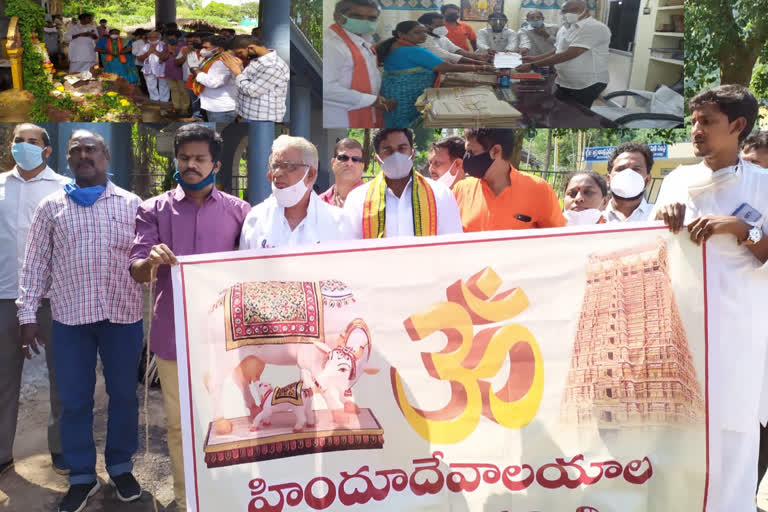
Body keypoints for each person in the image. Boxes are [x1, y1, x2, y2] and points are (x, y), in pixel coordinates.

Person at [651, 85, 768, 512]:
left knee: (733, 434)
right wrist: (664, 220)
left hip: (740, 332)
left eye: (707, 122)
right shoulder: (678, 181)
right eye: (695, 120)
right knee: (678, 432)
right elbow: (649, 252)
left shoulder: (764, 184)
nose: (696, 130)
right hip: (682, 331)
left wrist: (741, 229)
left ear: (737, 126)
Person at [17, 130, 144, 512]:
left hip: (123, 316)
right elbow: (35, 262)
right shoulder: (50, 207)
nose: (84, 155)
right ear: (68, 160)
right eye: (76, 150)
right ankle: (82, 476)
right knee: (74, 400)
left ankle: (121, 466)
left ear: (106, 156)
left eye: (91, 149)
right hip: (70, 318)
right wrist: (27, 315)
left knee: (123, 396)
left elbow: (148, 257)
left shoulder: (132, 204)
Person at [129, 125, 249, 511]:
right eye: (184, 159)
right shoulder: (152, 210)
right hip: (172, 336)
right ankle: (186, 499)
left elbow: (249, 272)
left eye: (199, 159)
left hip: (224, 338)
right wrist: (151, 261)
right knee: (180, 425)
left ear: (215, 163)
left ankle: (228, 493)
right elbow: (136, 270)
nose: (190, 165)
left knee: (229, 419)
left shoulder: (240, 212)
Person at [0, 124, 70, 481]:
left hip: (51, 298)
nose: (23, 147)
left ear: (46, 151)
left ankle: (61, 449)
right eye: (18, 141)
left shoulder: (63, 190)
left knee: (63, 377)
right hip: (4, 295)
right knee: (3, 379)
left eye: (32, 142)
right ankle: (2, 454)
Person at [344, 128, 462, 238]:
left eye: (402, 148)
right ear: (378, 159)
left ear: (413, 154)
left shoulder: (440, 194)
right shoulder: (358, 199)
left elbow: (452, 246)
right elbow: (351, 249)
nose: (396, 155)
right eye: (388, 150)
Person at [377, 21, 496, 128]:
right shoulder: (414, 50)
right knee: (404, 123)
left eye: (424, 32)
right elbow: (447, 67)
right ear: (401, 34)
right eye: (417, 32)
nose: (423, 35)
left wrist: (479, 62)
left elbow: (454, 52)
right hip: (406, 96)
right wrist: (481, 67)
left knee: (395, 121)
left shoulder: (396, 45)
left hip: (393, 91)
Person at [240, 135, 352, 249]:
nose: (277, 173)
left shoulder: (339, 223)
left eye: (288, 166)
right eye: (274, 166)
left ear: (310, 175)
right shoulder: (255, 219)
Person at [453, 128, 566, 231]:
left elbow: (558, 240)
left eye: (471, 152)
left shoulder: (539, 190)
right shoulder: (461, 190)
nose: (466, 158)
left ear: (496, 151)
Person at [516, 0, 610, 107]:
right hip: (564, 80)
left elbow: (571, 53)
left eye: (573, 10)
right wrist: (534, 59)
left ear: (586, 11)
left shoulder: (594, 27)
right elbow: (557, 49)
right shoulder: (566, 28)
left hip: (586, 83)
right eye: (564, 11)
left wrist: (533, 65)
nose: (568, 13)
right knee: (559, 111)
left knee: (576, 117)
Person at [324, 0, 395, 128]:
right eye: (357, 16)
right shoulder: (331, 45)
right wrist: (372, 100)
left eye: (371, 18)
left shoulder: (364, 40)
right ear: (338, 16)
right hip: (341, 117)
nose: (365, 21)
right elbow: (326, 89)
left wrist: (377, 98)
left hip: (366, 112)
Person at [220, 35, 289, 122]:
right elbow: (247, 80)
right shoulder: (257, 59)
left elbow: (252, 91)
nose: (239, 56)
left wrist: (237, 71)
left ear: (251, 48)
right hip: (250, 114)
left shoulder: (272, 66)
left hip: (262, 118)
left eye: (240, 53)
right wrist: (238, 67)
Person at [601, 142, 654, 223]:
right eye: (621, 169)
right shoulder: (594, 218)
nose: (628, 174)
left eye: (636, 169)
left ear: (648, 180)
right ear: (608, 179)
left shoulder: (659, 217)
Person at [194, 35, 237, 123]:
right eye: (203, 47)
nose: (203, 50)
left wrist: (197, 72)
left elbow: (215, 83)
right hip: (213, 104)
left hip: (220, 107)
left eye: (206, 47)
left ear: (219, 49)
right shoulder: (212, 58)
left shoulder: (222, 61)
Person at [417, 13, 488, 65]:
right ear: (426, 25)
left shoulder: (440, 36)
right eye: (438, 25)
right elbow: (445, 55)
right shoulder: (423, 40)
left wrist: (477, 56)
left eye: (443, 25)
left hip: (447, 67)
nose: (442, 28)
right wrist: (477, 61)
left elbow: (456, 49)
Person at [320, 138, 366, 207]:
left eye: (356, 159)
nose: (349, 163)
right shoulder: (319, 202)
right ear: (333, 163)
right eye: (343, 158)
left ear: (362, 166)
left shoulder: (375, 199)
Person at [137, 31, 170, 103]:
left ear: (160, 38)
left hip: (162, 69)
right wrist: (148, 52)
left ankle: (164, 101)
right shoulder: (145, 46)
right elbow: (139, 58)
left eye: (155, 37)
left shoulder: (165, 45)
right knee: (151, 86)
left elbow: (165, 57)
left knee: (163, 86)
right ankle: (154, 100)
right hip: (148, 69)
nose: (152, 39)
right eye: (150, 37)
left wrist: (154, 51)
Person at [179, 32, 205, 120]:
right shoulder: (187, 50)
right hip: (191, 78)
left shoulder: (206, 53)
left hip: (203, 79)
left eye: (196, 41)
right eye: (192, 42)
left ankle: (203, 118)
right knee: (194, 100)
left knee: (203, 100)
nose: (193, 44)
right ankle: (196, 115)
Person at [164, 30, 190, 116]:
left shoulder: (184, 46)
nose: (170, 40)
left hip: (181, 72)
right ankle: (176, 107)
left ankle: (185, 108)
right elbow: (162, 58)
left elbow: (184, 59)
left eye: (172, 38)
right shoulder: (166, 46)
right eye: (169, 38)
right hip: (170, 71)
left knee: (183, 90)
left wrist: (174, 53)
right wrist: (168, 51)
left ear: (178, 38)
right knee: (173, 90)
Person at [131, 29, 149, 94]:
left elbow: (134, 53)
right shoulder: (149, 41)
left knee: (142, 78)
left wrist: (140, 52)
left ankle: (144, 92)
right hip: (149, 63)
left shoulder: (135, 43)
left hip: (140, 63)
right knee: (150, 78)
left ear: (138, 36)